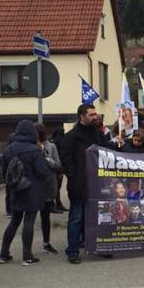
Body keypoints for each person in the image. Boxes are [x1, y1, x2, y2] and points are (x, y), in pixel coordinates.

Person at [62, 104, 111, 264]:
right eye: (91, 115)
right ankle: (73, 251)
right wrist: (75, 178)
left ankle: (99, 247)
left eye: (95, 114)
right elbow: (67, 160)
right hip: (79, 185)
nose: (95, 117)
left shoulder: (98, 135)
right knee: (76, 218)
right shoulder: (71, 137)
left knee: (99, 217)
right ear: (82, 116)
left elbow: (109, 152)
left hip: (97, 184)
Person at [0, 119, 50, 266]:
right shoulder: (34, 149)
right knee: (29, 222)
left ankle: (3, 254)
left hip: (15, 189)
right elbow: (42, 171)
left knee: (14, 221)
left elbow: (4, 171)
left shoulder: (8, 149)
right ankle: (27, 256)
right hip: (32, 190)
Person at [36, 123, 63, 255]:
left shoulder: (51, 146)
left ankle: (46, 243)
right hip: (33, 187)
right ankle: (9, 251)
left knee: (45, 216)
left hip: (47, 186)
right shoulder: (29, 147)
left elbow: (58, 166)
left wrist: (47, 157)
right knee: (26, 219)